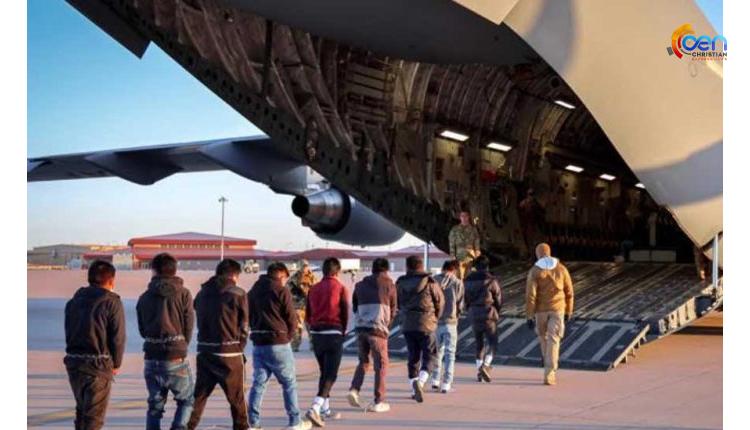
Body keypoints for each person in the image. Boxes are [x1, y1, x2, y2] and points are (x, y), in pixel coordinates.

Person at [247, 262, 311, 430]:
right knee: (289, 383)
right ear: (281, 275)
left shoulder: (253, 291)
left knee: (258, 383)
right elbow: (291, 318)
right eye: (285, 278)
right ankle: (294, 421)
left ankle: (253, 422)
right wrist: (287, 337)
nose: (285, 281)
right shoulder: (281, 291)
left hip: (259, 343)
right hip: (278, 343)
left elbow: (246, 314)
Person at [187, 259, 250, 430]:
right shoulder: (238, 293)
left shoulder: (202, 293)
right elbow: (245, 325)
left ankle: (186, 426)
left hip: (205, 351)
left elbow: (196, 309)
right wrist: (240, 346)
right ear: (234, 275)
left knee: (199, 397)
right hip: (230, 353)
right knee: (237, 400)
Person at [64, 260, 126, 430]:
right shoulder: (111, 302)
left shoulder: (73, 301)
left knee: (82, 412)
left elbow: (69, 332)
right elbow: (118, 337)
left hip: (74, 363)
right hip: (97, 365)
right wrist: (116, 363)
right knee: (93, 419)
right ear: (111, 281)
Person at [136, 253, 195, 430]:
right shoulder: (184, 293)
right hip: (175, 355)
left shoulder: (144, 297)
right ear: (175, 270)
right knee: (186, 400)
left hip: (151, 356)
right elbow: (189, 325)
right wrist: (181, 345)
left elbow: (142, 330)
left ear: (154, 271)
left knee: (155, 406)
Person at [304, 258, 350, 427]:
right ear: (337, 272)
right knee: (331, 374)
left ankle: (325, 409)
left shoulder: (313, 288)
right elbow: (345, 313)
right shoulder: (340, 288)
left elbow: (308, 314)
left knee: (324, 371)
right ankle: (315, 407)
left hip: (316, 334)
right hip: (333, 333)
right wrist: (343, 331)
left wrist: (313, 328)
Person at [348, 257, 397, 413]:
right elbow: (394, 310)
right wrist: (386, 326)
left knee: (363, 361)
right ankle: (379, 401)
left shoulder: (359, 285)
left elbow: (354, 307)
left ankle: (354, 390)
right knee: (381, 365)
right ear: (386, 270)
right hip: (378, 330)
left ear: (372, 269)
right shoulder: (389, 285)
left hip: (361, 329)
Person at [396, 255, 444, 403]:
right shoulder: (430, 282)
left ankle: (413, 387)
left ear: (407, 266)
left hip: (407, 324)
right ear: (422, 266)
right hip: (427, 323)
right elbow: (440, 302)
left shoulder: (400, 282)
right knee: (431, 355)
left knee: (413, 356)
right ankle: (421, 382)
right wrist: (435, 318)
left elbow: (396, 302)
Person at [525, 243, 575, 385]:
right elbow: (569, 292)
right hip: (558, 309)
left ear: (537, 254)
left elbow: (530, 296)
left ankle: (546, 359)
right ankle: (550, 373)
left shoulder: (534, 271)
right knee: (554, 340)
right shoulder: (562, 269)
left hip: (540, 311)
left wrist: (529, 315)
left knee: (543, 337)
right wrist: (569, 310)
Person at [464, 255, 502, 383]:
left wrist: (469, 309)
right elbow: (498, 298)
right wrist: (497, 311)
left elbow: (465, 299)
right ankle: (486, 365)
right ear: (487, 266)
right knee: (493, 342)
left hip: (474, 313)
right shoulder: (491, 280)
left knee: (479, 343)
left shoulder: (467, 280)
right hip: (488, 313)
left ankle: (479, 371)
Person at [430, 259, 464, 393]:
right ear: (454, 269)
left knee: (437, 351)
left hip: (435, 322)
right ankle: (446, 383)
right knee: (450, 353)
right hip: (451, 322)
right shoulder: (457, 282)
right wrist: (457, 315)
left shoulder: (433, 281)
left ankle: (435, 380)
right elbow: (460, 303)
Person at [287, 259, 318, 352]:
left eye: (306, 266)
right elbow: (288, 291)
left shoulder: (313, 277)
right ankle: (295, 345)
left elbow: (317, 290)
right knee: (297, 327)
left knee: (311, 326)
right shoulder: (294, 278)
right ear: (299, 267)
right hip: (298, 306)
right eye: (303, 266)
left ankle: (313, 345)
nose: (304, 268)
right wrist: (297, 296)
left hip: (310, 306)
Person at [448, 210, 481, 278]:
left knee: (469, 276)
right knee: (459, 276)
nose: (464, 218)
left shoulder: (473, 229)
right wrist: (452, 255)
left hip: (470, 255)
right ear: (460, 217)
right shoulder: (455, 229)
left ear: (468, 217)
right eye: (462, 216)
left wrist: (477, 250)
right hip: (459, 255)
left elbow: (477, 240)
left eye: (466, 216)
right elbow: (451, 242)